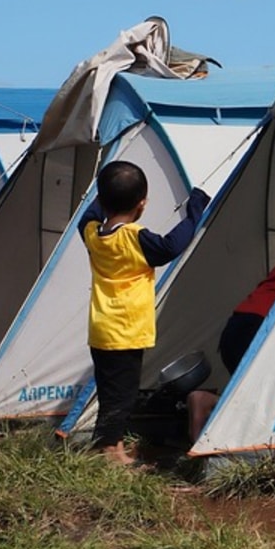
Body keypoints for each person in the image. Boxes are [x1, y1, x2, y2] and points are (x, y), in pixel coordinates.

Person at [79, 160, 209, 466]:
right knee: (122, 396)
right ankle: (110, 453)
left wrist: (104, 196)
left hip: (102, 329)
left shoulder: (93, 234)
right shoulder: (134, 237)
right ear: (142, 204)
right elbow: (170, 246)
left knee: (111, 390)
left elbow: (89, 215)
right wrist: (196, 209)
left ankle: (114, 445)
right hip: (126, 330)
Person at [186, 238, 275, 442]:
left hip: (240, 322)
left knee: (255, 396)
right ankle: (210, 402)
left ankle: (206, 421)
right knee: (272, 400)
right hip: (264, 326)